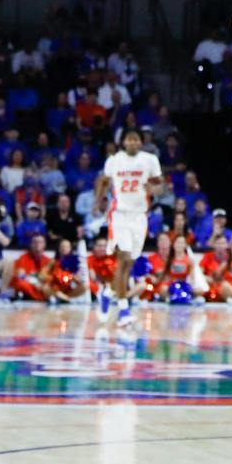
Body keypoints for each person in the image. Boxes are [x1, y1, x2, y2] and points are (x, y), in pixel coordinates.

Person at [96, 126, 163, 328]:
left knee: (129, 263)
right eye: (129, 139)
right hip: (120, 215)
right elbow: (103, 181)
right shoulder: (114, 160)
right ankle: (124, 310)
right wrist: (98, 201)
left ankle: (108, 293)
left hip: (140, 216)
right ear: (123, 142)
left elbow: (161, 184)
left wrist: (154, 188)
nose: (132, 142)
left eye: (136, 139)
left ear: (141, 142)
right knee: (123, 258)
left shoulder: (150, 160)